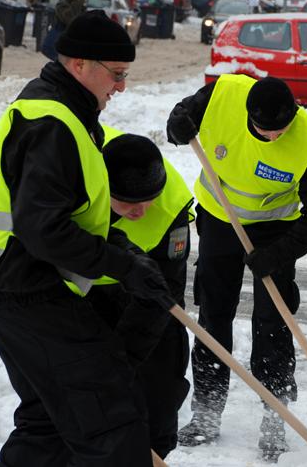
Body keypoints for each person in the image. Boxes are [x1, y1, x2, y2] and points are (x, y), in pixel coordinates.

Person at [0, 11, 174, 467]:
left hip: (16, 290)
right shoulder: (53, 122)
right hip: (30, 295)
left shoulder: (54, 110)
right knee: (111, 420)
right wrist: (123, 267)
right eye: (116, 75)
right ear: (79, 65)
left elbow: (62, 211)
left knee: (49, 422)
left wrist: (124, 251)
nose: (121, 86)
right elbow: (43, 230)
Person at [166, 74, 307, 461]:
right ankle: (207, 414)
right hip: (218, 219)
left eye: (282, 129)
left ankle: (275, 417)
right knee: (213, 314)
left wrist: (278, 254)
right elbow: (181, 121)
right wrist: (177, 126)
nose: (276, 137)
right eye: (266, 130)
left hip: (276, 233)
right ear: (248, 115)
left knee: (274, 322)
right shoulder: (223, 94)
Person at [87, 130, 195, 460]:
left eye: (149, 199)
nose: (142, 211)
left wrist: (125, 360)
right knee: (87, 405)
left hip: (148, 296)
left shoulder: (171, 202)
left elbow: (167, 288)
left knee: (158, 395)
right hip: (85, 292)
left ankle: (154, 448)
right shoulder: (78, 178)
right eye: (130, 204)